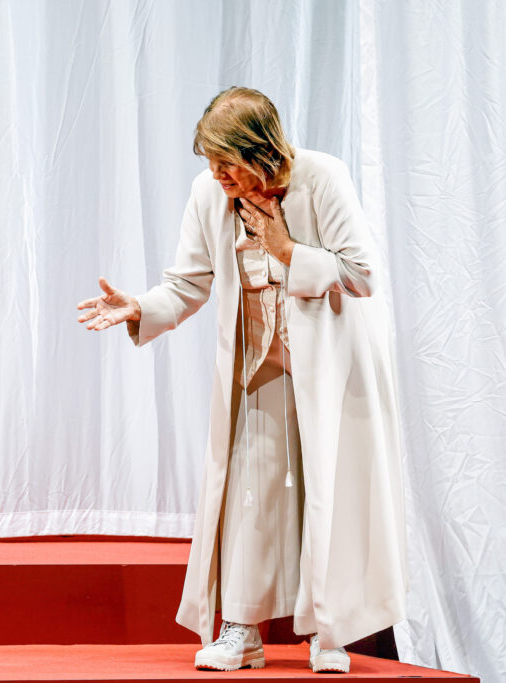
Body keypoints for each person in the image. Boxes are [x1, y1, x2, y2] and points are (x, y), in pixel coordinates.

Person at [76, 87, 406, 674]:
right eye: (210, 161)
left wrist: (287, 249)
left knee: (328, 490)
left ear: (262, 149)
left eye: (226, 161)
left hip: (331, 367)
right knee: (248, 492)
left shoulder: (322, 178)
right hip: (259, 365)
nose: (216, 174)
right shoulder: (209, 194)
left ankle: (328, 632)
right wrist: (140, 307)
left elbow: (361, 275)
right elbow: (188, 283)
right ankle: (241, 629)